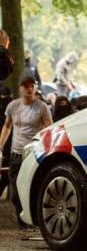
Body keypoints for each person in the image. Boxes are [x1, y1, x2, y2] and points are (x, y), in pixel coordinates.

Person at [0, 77, 53, 227]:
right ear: (20, 89)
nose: (29, 89)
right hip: (16, 154)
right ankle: (22, 220)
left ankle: (31, 222)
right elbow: (7, 126)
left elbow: (49, 128)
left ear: (35, 88)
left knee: (32, 187)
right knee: (15, 192)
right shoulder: (13, 106)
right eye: (26, 86)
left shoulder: (42, 107)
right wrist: (1, 146)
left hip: (33, 154)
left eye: (32, 86)